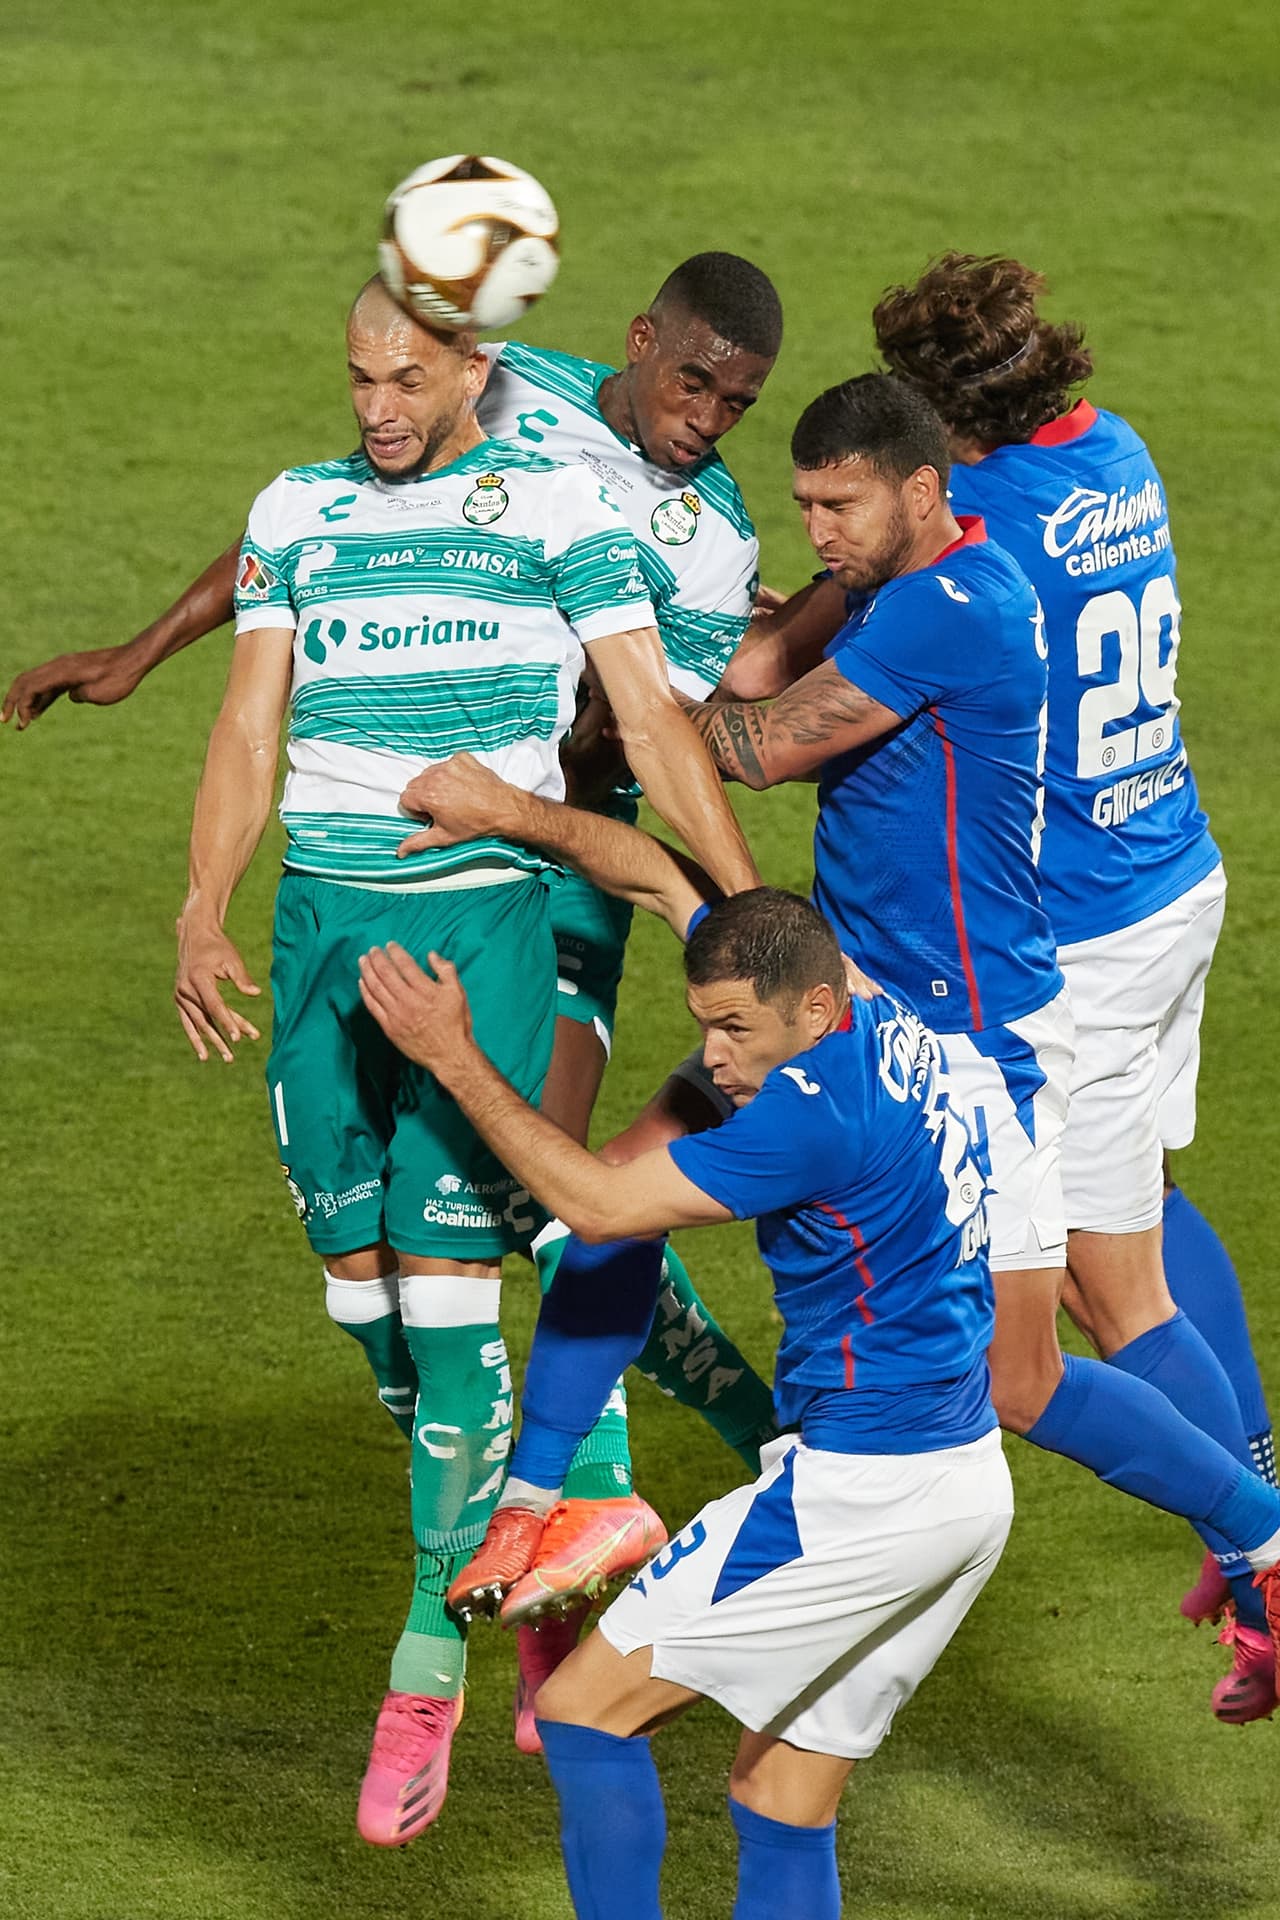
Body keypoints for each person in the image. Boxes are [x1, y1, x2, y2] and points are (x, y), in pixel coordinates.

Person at [5, 255, 787, 1731]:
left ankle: (595, 1510)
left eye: (736, 405)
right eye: (694, 384)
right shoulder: (512, 390)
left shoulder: (703, 533)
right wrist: (137, 654)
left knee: (530, 1195)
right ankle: (635, 1476)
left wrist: (724, 901)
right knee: (463, 1250)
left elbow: (657, 722)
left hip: (554, 866)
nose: (705, 421)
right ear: (637, 346)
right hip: (384, 856)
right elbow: (297, 557)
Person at [428, 376, 1280, 1700]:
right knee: (611, 1214)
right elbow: (757, 677)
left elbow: (753, 743)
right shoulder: (894, 584)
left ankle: (1262, 1540)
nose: (814, 530)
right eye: (802, 504)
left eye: (839, 504)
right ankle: (552, 1497)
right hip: (834, 1005)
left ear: (924, 490)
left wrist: (617, 669)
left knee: (1021, 1381)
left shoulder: (959, 604)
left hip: (976, 1048)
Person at [177, 274, 760, 1845]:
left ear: (474, 373)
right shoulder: (295, 506)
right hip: (315, 939)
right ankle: (553, 1544)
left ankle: (424, 1664)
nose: (375, 405)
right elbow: (249, 723)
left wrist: (747, 910)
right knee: (361, 1298)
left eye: (406, 378)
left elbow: (653, 721)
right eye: (357, 372)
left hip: (493, 930)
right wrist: (200, 903)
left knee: (458, 1301)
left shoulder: (559, 507)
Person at [356, 880, 1013, 1920]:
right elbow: (663, 877)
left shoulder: (811, 1119)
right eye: (703, 1024)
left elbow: (599, 1208)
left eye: (734, 1028)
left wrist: (451, 1056)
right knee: (781, 1797)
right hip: (965, 1491)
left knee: (580, 1716)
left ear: (811, 1008)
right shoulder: (885, 1018)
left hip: (855, 1500)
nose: (712, 1054)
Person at [872, 251, 1275, 1721]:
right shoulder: (1116, 451)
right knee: (1152, 1205)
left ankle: (1265, 1572)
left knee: (1111, 1292)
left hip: (1084, 944)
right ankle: (1263, 1495)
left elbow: (865, 646)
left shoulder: (986, 530)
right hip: (1173, 874)